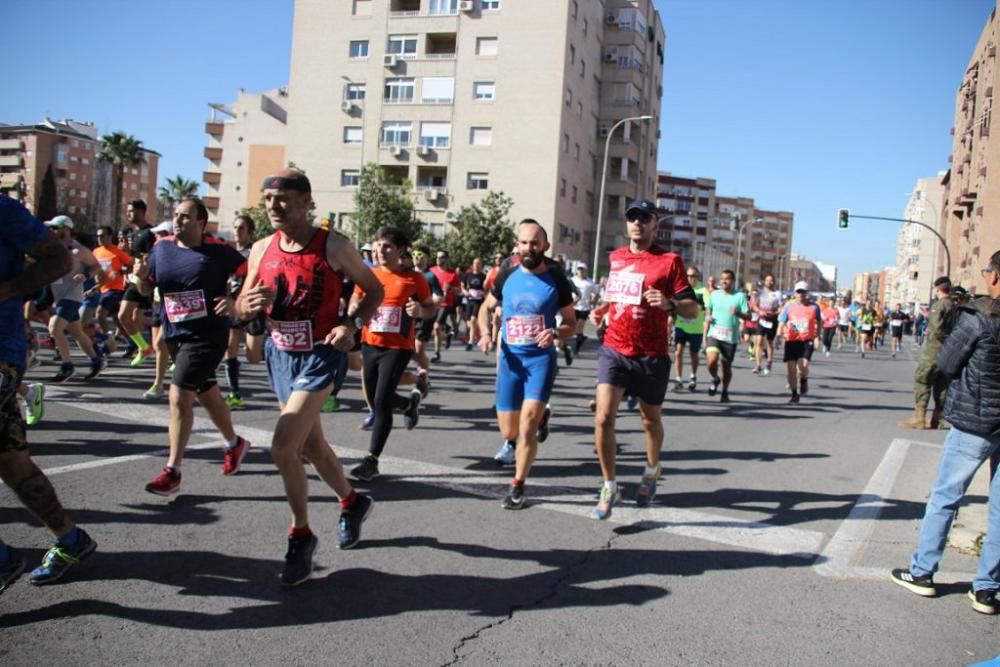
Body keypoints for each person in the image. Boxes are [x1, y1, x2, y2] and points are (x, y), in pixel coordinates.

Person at [236, 169, 382, 587]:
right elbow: (243, 307)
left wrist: (352, 326)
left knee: (284, 446)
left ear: (305, 201)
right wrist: (248, 307)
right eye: (266, 200)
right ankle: (351, 502)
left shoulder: (333, 246)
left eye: (282, 199)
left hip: (322, 353)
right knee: (313, 445)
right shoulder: (261, 249)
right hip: (281, 355)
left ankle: (300, 534)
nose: (273, 207)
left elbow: (372, 290)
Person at [890, 251, 1000, 616]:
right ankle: (987, 589)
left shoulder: (978, 319)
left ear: (995, 277)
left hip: (974, 421)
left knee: (946, 497)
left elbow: (946, 363)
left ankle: (922, 573)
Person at [0, 196, 96, 593]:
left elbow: (58, 260)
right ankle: (71, 539)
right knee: (11, 461)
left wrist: (7, 289)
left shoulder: (4, 212)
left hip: (0, 352)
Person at [588, 200, 698, 520]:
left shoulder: (669, 261)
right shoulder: (617, 257)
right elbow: (616, 295)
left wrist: (670, 303)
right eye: (632, 218)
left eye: (644, 219)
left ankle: (651, 471)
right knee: (604, 418)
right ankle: (609, 485)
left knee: (649, 421)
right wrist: (604, 310)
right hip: (614, 349)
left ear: (655, 225)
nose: (637, 223)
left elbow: (692, 308)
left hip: (651, 354)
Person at [135, 198, 252, 496]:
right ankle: (234, 443)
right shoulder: (161, 248)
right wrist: (140, 279)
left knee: (178, 395)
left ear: (201, 222)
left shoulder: (218, 251)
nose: (178, 221)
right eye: (176, 216)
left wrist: (236, 301)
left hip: (208, 335)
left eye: (185, 217)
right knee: (207, 392)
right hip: (176, 334)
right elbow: (148, 287)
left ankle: (172, 471)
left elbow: (253, 274)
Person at [477, 219, 575, 509]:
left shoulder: (556, 280)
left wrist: (557, 332)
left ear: (545, 246)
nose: (529, 247)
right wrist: (484, 332)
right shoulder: (506, 276)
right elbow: (485, 308)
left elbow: (571, 323)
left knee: (527, 427)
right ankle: (541, 418)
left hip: (540, 361)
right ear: (516, 246)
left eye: (535, 242)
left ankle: (518, 486)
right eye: (524, 242)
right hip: (510, 361)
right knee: (509, 432)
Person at [349, 226, 434, 481]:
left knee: (382, 401)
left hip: (398, 347)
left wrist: (419, 310)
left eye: (386, 246)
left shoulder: (415, 279)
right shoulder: (368, 275)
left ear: (400, 250)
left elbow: (430, 309)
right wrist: (355, 306)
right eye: (377, 246)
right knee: (375, 399)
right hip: (370, 342)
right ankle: (409, 403)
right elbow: (355, 300)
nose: (380, 251)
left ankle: (371, 459)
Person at [44, 216, 106, 383]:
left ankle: (67, 367)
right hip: (59, 296)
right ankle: (96, 360)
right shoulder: (53, 248)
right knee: (77, 332)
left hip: (72, 296)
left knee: (55, 328)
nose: (51, 231)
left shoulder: (78, 250)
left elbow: (97, 266)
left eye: (55, 228)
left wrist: (85, 275)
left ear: (65, 229)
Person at [900, 277, 954, 430]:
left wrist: (941, 340)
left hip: (934, 350)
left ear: (938, 289)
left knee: (922, 380)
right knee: (941, 385)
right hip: (948, 351)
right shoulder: (954, 306)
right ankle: (938, 418)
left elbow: (936, 329)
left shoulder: (939, 306)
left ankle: (919, 417)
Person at [222, 214, 260, 410]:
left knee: (254, 357)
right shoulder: (228, 253)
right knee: (230, 347)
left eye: (241, 228)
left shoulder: (255, 252)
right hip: (235, 306)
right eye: (235, 227)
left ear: (250, 232)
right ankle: (234, 393)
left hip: (253, 307)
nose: (237, 231)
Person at [117, 199, 158, 366]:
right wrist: (126, 269)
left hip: (148, 281)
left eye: (131, 211)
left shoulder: (149, 233)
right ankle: (143, 347)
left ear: (142, 212)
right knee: (124, 316)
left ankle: (172, 353)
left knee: (156, 319)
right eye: (127, 211)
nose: (128, 214)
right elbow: (134, 259)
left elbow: (153, 257)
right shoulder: (132, 234)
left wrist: (132, 252)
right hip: (135, 280)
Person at [703, 269, 750, 403]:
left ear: (733, 281)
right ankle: (715, 378)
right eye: (722, 278)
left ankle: (724, 391)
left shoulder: (740, 296)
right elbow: (708, 308)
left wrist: (738, 313)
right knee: (711, 361)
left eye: (727, 279)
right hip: (715, 334)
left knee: (726, 366)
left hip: (730, 337)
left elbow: (749, 316)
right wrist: (707, 316)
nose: (724, 281)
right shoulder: (715, 294)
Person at [90, 225, 132, 357]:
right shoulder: (96, 252)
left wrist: (121, 273)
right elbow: (92, 268)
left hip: (115, 288)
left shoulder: (117, 252)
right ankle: (132, 343)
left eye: (102, 236)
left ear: (109, 237)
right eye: (97, 236)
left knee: (99, 314)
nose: (99, 238)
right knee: (117, 319)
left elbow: (131, 265)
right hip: (102, 288)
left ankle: (107, 342)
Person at [779, 281, 821, 404]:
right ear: (795, 293)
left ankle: (803, 379)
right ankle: (794, 394)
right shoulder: (789, 306)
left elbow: (819, 321)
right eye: (798, 292)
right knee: (791, 368)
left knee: (803, 366)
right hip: (791, 340)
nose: (800, 294)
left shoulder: (814, 307)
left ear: (807, 293)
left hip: (806, 340)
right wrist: (778, 335)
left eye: (803, 292)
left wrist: (817, 336)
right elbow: (782, 321)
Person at [673, 266, 710, 392]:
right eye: (688, 276)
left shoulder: (703, 291)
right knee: (678, 353)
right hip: (681, 326)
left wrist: (698, 308)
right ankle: (678, 379)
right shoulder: (681, 289)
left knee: (694, 354)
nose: (690, 278)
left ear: (697, 277)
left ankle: (693, 376)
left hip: (696, 329)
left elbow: (708, 307)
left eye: (693, 276)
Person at [430, 250, 461, 361]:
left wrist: (451, 288)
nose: (438, 259)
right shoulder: (431, 271)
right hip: (432, 302)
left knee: (437, 327)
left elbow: (459, 290)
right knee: (433, 326)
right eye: (437, 257)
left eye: (441, 257)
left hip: (445, 303)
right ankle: (448, 331)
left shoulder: (452, 274)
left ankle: (437, 353)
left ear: (447, 259)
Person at [753, 274, 782, 375]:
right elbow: (755, 306)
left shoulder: (777, 294)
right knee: (759, 341)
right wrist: (759, 311)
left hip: (772, 321)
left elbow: (780, 308)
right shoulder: (760, 293)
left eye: (771, 280)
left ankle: (769, 361)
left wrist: (774, 313)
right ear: (764, 281)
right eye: (767, 280)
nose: (769, 282)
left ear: (774, 282)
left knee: (769, 342)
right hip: (761, 319)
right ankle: (758, 365)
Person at [571, 264, 599, 353]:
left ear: (585, 271)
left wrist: (593, 300)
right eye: (579, 269)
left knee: (580, 325)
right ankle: (581, 337)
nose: (580, 271)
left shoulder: (590, 282)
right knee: (573, 328)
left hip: (584, 307)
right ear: (576, 271)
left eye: (582, 270)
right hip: (573, 306)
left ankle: (577, 347)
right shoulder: (572, 280)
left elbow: (596, 294)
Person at [461, 257, 487, 352]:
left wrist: (484, 292)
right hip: (470, 300)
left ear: (481, 265)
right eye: (475, 263)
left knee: (473, 320)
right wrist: (465, 292)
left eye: (478, 263)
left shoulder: (484, 276)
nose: (476, 265)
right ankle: (478, 334)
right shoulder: (468, 275)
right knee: (469, 323)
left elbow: (487, 288)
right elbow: (462, 286)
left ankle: (470, 342)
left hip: (479, 301)